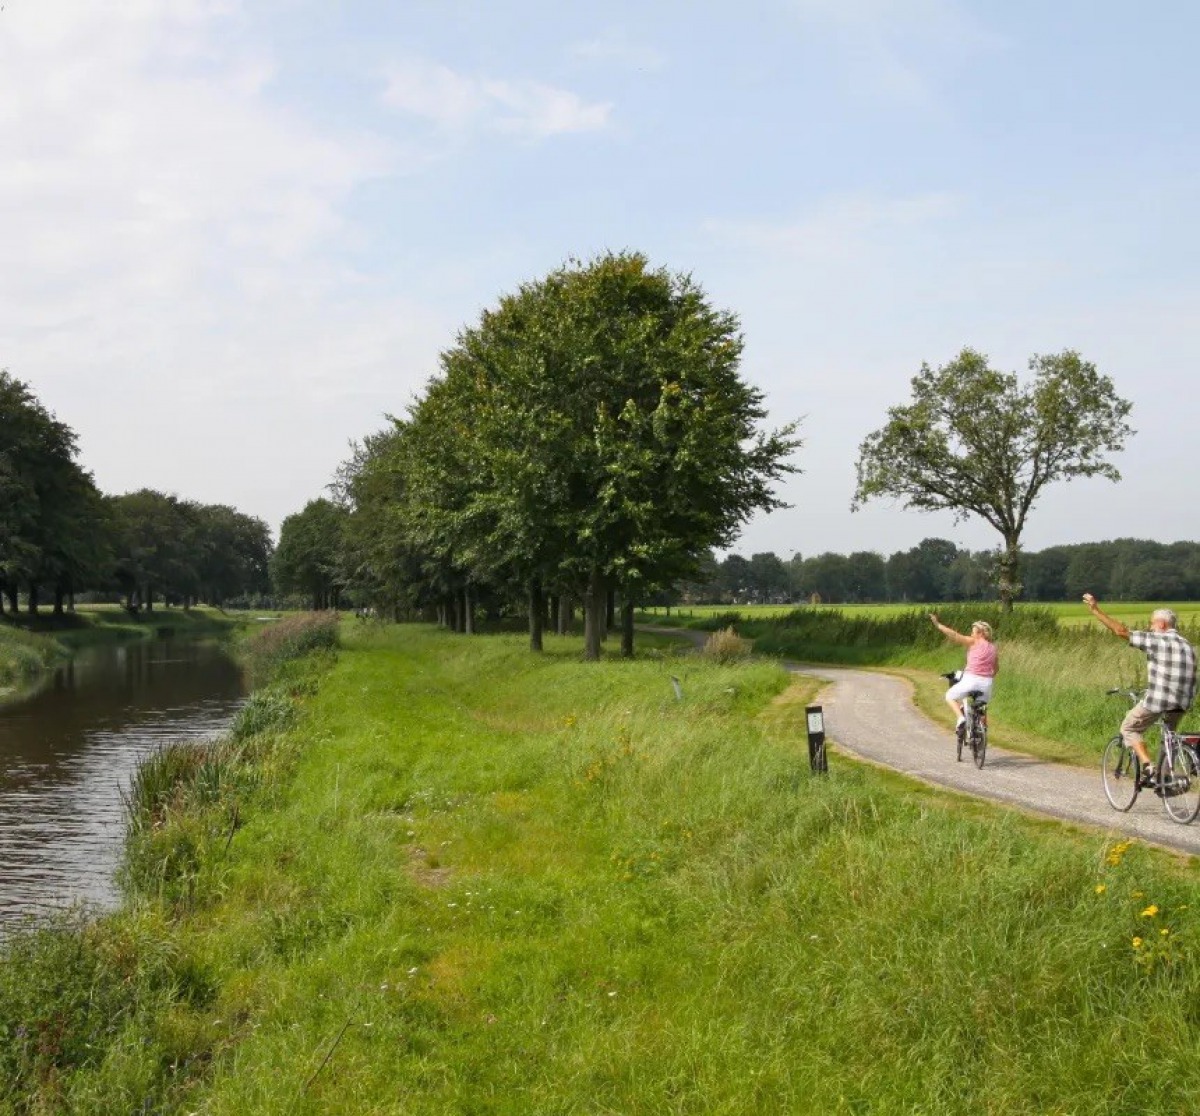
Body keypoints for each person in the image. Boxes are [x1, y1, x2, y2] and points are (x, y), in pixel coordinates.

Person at [1082, 594, 1197, 785]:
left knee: (1129, 727)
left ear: (1161, 624)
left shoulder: (1157, 640)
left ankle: (1148, 768)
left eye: (1151, 624)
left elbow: (1120, 631)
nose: (1150, 627)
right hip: (1183, 701)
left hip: (1160, 699)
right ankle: (1165, 779)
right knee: (1169, 736)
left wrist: (1096, 610)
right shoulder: (1187, 645)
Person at [929, 614, 998, 738]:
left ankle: (961, 718)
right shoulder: (993, 648)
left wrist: (938, 625)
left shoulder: (974, 642)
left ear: (980, 633)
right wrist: (988, 677)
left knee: (949, 696)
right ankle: (983, 732)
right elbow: (996, 668)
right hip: (987, 683)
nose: (971, 634)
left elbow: (954, 635)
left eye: (973, 632)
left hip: (971, 679)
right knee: (981, 706)